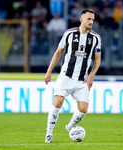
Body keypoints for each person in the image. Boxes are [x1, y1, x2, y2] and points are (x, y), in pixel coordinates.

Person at [44, 9, 101, 143]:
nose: (91, 22)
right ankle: (49, 134)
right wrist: (49, 70)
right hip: (66, 76)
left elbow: (97, 59)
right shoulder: (69, 34)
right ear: (81, 19)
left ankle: (70, 126)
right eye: (89, 19)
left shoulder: (95, 38)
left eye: (93, 19)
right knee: (58, 102)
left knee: (83, 109)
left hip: (82, 79)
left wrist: (92, 75)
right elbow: (59, 52)